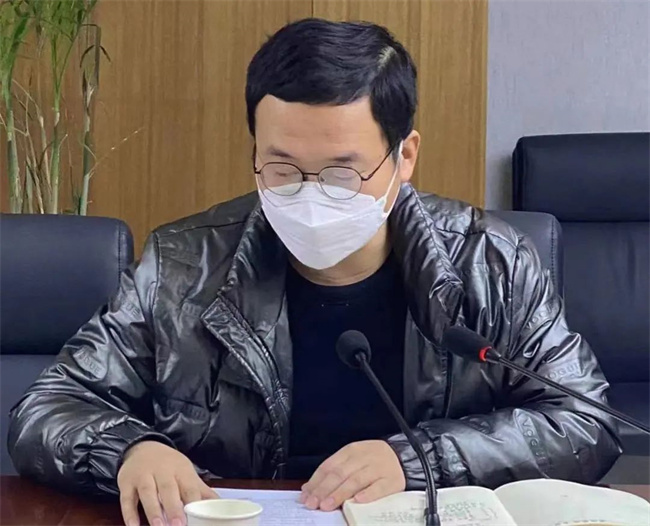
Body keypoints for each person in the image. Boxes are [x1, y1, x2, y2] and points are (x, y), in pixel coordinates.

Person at [9, 18, 621, 526]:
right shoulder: (181, 265)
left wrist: (420, 460)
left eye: (340, 173)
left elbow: (583, 421)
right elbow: (48, 408)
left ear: (404, 155)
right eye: (281, 169)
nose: (308, 194)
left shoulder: (492, 261)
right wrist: (129, 451)